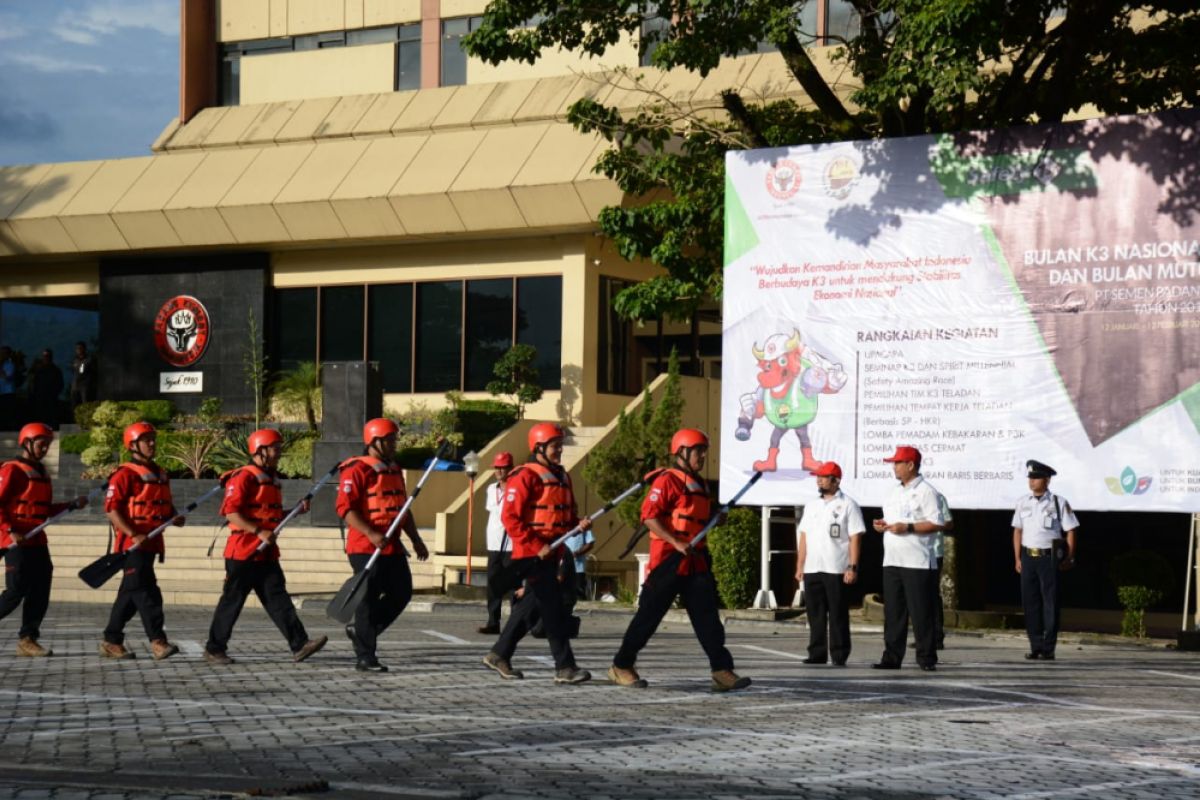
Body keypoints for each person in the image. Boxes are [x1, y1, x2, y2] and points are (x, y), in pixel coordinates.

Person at [609, 429, 750, 692]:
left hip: (695, 562)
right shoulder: (667, 481)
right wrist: (675, 542)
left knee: (708, 619)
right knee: (648, 617)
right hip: (668, 561)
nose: (703, 456)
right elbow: (649, 516)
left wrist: (715, 520)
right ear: (682, 452)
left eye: (704, 450)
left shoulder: (700, 484)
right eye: (698, 451)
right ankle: (621, 665)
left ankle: (721, 669)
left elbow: (696, 520)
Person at [203, 429, 328, 665]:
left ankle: (300, 644)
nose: (279, 452)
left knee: (278, 599)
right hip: (244, 551)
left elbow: (268, 514)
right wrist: (259, 531)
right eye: (275, 448)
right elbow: (231, 513)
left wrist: (294, 511)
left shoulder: (271, 478)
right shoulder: (244, 477)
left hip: (266, 553)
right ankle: (214, 648)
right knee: (232, 601)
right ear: (260, 451)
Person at [483, 422, 591, 685]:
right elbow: (511, 518)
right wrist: (535, 546)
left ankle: (499, 653)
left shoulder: (563, 476)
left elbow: (562, 516)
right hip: (531, 555)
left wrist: (577, 525)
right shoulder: (525, 476)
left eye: (560, 446)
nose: (559, 451)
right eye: (555, 446)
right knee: (552, 608)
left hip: (553, 554)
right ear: (539, 447)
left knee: (530, 607)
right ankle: (564, 666)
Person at [336, 418, 429, 672]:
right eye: (389, 440)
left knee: (402, 592)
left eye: (394, 439)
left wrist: (416, 539)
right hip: (364, 546)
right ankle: (366, 657)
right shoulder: (356, 470)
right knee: (366, 600)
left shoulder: (394, 469)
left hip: (392, 545)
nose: (393, 444)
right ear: (374, 442)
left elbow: (403, 511)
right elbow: (345, 509)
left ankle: (364, 630)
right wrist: (371, 533)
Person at [0, 423, 88, 656]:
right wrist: (9, 530)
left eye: (48, 444)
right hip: (14, 540)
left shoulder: (41, 473)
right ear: (27, 443)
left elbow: (44, 508)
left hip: (37, 540)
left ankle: (28, 638)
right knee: (15, 591)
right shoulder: (12, 470)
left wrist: (70, 505)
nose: (45, 448)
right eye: (41, 444)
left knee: (40, 589)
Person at [100, 422, 182, 660]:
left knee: (129, 595)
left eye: (153, 439)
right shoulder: (124, 474)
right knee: (148, 594)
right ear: (133, 445)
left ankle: (111, 639)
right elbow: (112, 510)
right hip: (132, 546)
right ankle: (158, 641)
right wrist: (134, 533)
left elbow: (163, 505)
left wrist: (173, 516)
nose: (152, 444)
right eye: (147, 440)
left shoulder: (160, 473)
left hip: (152, 544)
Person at [872, 445, 943, 672]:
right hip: (892, 560)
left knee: (921, 611)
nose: (894, 467)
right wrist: (883, 524)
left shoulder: (927, 492)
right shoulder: (894, 491)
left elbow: (937, 523)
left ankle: (926, 657)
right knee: (893, 612)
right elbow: (894, 519)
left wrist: (909, 527)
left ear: (911, 465)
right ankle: (891, 657)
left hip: (918, 561)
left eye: (898, 463)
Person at [795, 461, 864, 666]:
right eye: (818, 476)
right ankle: (817, 653)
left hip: (836, 566)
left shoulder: (848, 504)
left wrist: (852, 566)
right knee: (814, 613)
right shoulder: (812, 505)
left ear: (836, 481)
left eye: (823, 477)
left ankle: (839, 654)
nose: (819, 480)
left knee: (837, 612)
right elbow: (804, 536)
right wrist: (800, 565)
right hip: (813, 566)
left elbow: (855, 537)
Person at [1013, 460, 1079, 661]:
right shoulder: (1023, 502)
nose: (1032, 482)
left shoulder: (1058, 502)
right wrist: (1017, 557)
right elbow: (1017, 530)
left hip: (1049, 559)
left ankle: (1048, 648)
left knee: (1050, 603)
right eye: (1030, 478)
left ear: (1047, 480)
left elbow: (1070, 531)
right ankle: (1035, 645)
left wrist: (1070, 555)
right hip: (1028, 557)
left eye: (1036, 478)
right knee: (1030, 603)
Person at [478, 452, 514, 635]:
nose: (499, 471)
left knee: (514, 585)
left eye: (503, 467)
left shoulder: (516, 489)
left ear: (511, 468)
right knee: (493, 584)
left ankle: (516, 623)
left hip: (512, 544)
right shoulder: (491, 489)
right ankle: (493, 621)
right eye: (497, 467)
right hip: (494, 542)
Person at [27, 350, 64, 425]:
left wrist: (55, 393)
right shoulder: (38, 370)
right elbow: (32, 381)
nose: (46, 358)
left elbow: (60, 383)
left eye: (47, 356)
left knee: (51, 415)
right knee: (40, 415)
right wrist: (33, 393)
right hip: (39, 396)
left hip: (51, 397)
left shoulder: (55, 370)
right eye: (44, 356)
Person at [70, 342, 97, 406]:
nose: (78, 350)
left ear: (84, 349)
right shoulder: (75, 360)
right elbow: (74, 371)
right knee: (74, 405)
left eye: (80, 348)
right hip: (75, 387)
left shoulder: (89, 360)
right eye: (77, 348)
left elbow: (94, 372)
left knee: (85, 404)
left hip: (85, 387)